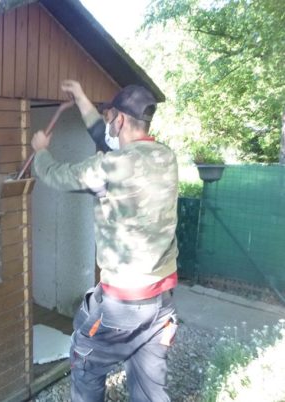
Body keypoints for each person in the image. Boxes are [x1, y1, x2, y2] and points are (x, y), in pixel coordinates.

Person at [31, 80, 179, 402]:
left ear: (121, 120)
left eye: (110, 117)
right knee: (150, 388)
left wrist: (41, 152)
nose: (108, 124)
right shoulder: (166, 158)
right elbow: (106, 138)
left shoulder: (111, 167)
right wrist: (83, 98)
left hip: (123, 305)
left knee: (84, 362)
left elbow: (57, 175)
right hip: (161, 304)